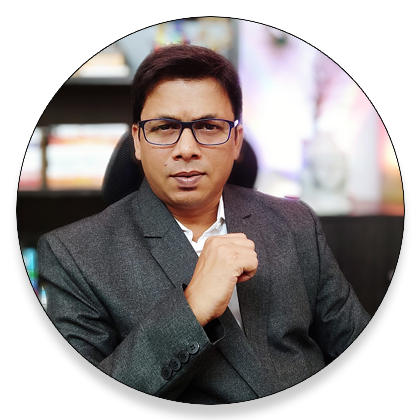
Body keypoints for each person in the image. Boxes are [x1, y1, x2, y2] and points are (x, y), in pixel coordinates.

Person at [37, 43, 370, 404]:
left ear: (236, 141)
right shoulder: (73, 254)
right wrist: (192, 308)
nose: (186, 149)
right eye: (165, 127)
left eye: (209, 127)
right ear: (137, 141)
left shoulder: (295, 223)